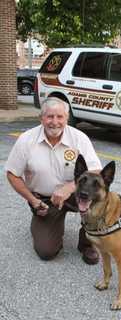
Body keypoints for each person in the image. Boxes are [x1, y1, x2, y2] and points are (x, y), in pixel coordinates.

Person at [5, 97, 102, 264]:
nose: (54, 122)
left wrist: (69, 188)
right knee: (46, 251)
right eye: (50, 116)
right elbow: (12, 174)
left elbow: (96, 170)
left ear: (67, 117)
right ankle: (48, 226)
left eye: (60, 117)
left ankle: (87, 242)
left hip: (75, 193)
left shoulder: (79, 138)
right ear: (41, 118)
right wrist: (33, 201)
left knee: (100, 199)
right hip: (44, 200)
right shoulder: (26, 140)